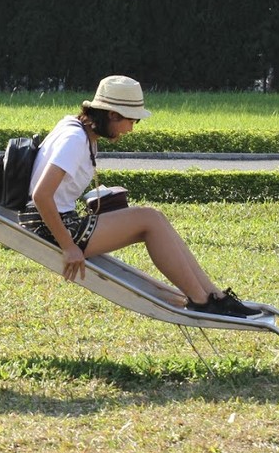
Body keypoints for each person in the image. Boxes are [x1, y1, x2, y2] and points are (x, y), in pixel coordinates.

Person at [20, 75, 261, 318]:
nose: (131, 129)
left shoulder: (76, 128)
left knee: (154, 218)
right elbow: (41, 195)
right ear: (112, 114)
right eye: (131, 120)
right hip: (52, 227)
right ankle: (201, 300)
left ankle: (213, 296)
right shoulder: (74, 139)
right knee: (149, 220)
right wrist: (69, 247)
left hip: (57, 220)